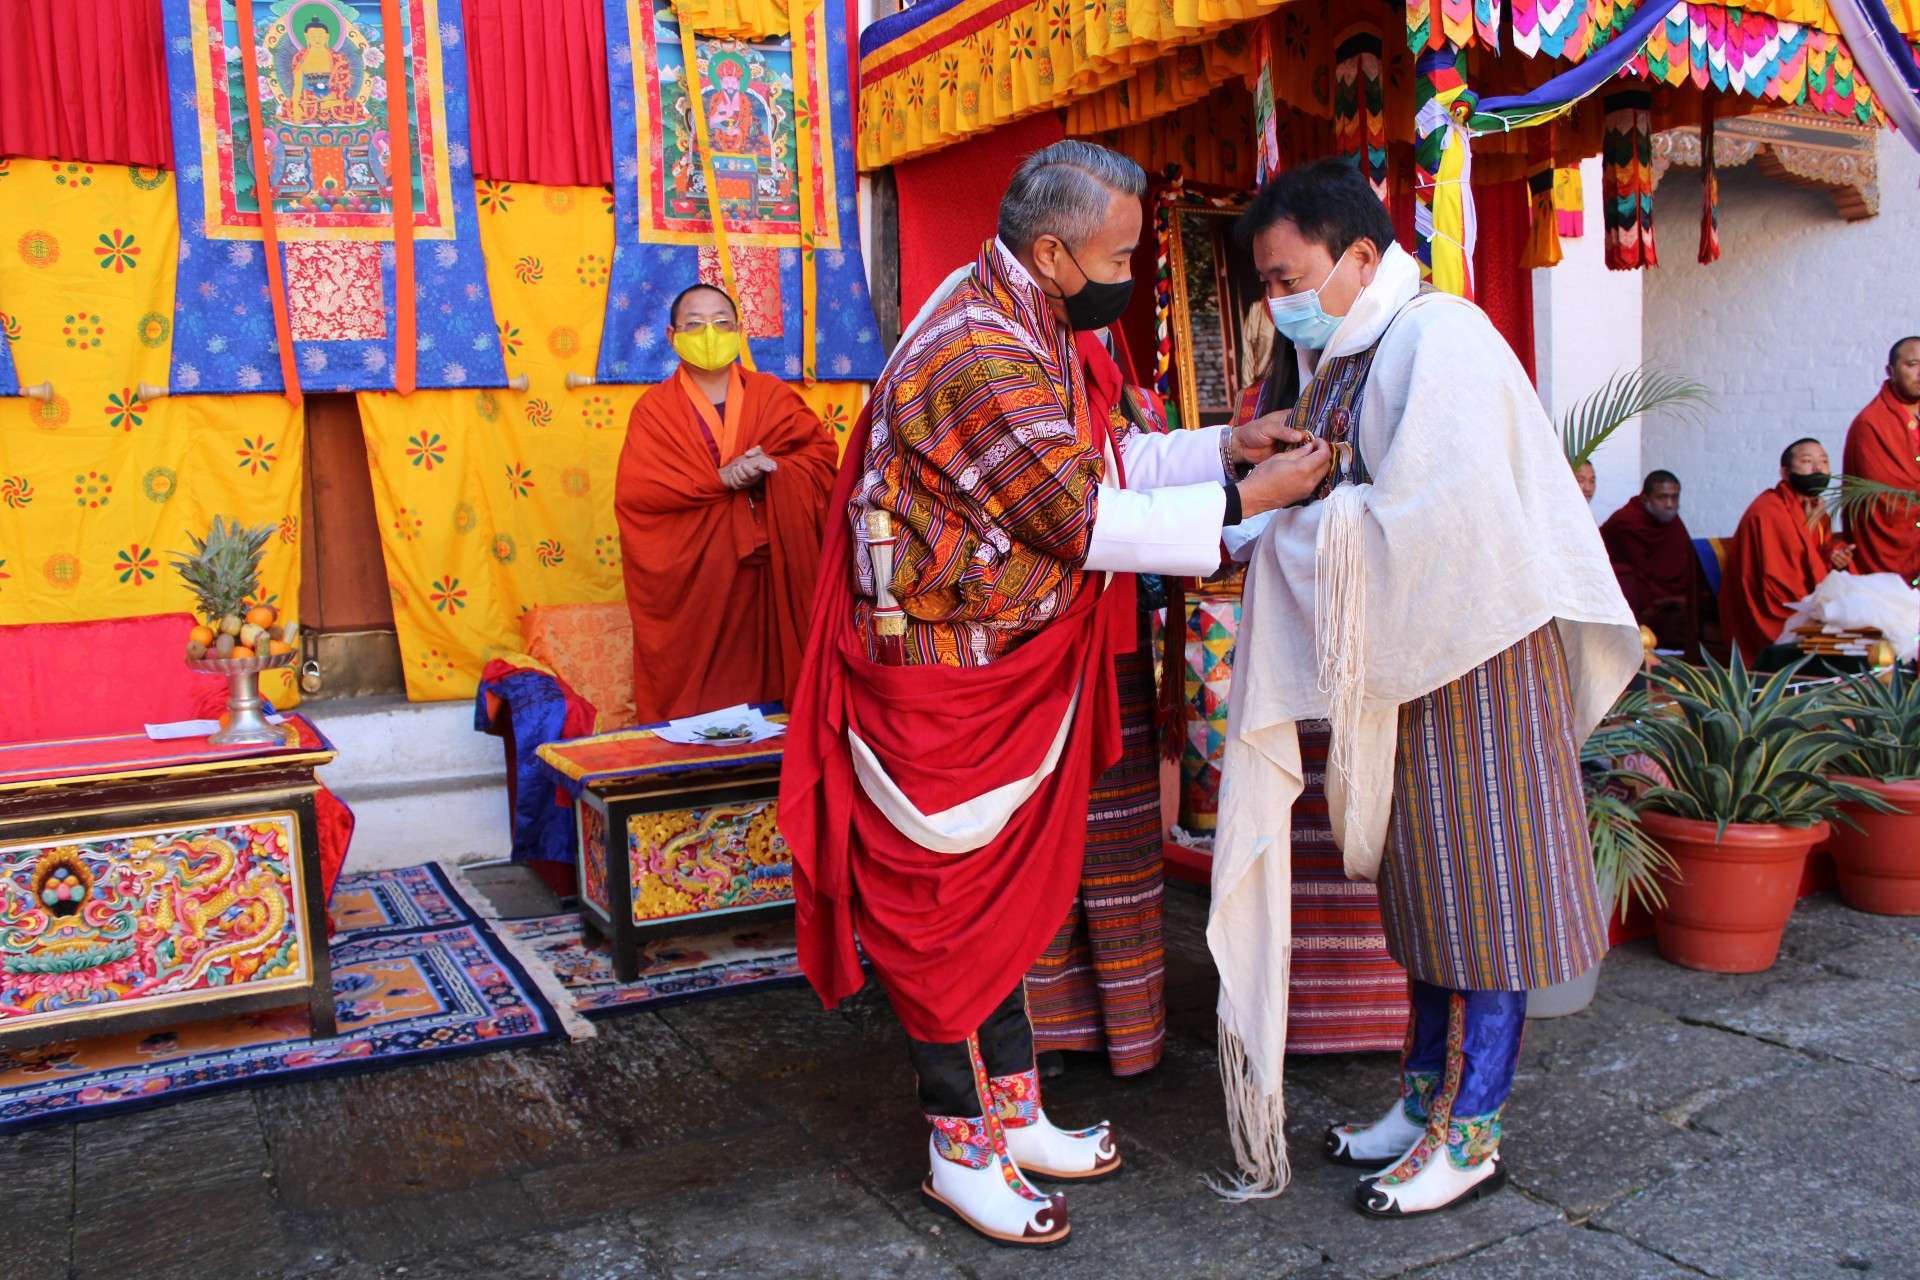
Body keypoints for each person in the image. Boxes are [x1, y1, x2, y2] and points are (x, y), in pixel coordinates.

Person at [781, 140, 1332, 1249]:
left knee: (1004, 904)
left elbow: (1102, 456)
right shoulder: (980, 346)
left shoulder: (1025, 305)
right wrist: (1248, 493)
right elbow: (1082, 519)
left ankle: (1013, 1107)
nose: (1130, 270)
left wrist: (1225, 441)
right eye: (1120, 254)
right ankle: (957, 1141)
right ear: (1051, 248)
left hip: (1001, 659)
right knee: (949, 913)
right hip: (942, 672)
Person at [1207, 159, 1641, 1215]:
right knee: (1424, 890)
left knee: (1486, 894)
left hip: (1478, 654)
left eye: (1288, 275)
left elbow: (1434, 528)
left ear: (1361, 255)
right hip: (1414, 661)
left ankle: (1471, 1129)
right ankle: (1422, 1098)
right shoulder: (1352, 347)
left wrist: (1284, 518)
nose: (1278, 300)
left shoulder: (1439, 337)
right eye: (1264, 283)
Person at [1025, 325, 1175, 1080]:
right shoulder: (1004, 371)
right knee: (1040, 840)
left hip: (1111, 643)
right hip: (1036, 652)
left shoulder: (1103, 382)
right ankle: (1045, 1030)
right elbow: (1075, 512)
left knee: (1113, 837)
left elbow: (1131, 464)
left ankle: (1127, 1026)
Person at [614, 284, 837, 725]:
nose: (709, 333)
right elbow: (641, 496)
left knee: (775, 706)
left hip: (770, 580)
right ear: (671, 335)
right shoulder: (654, 411)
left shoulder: (771, 395)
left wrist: (777, 469)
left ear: (739, 330)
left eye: (721, 323)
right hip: (699, 585)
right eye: (694, 324)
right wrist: (719, 478)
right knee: (701, 714)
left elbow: (822, 462)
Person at [1719, 438, 1855, 664]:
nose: (1818, 468)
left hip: (1806, 594)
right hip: (1773, 607)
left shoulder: (1815, 507)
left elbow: (1819, 554)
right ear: (1785, 472)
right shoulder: (1769, 511)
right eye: (1807, 461)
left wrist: (1835, 556)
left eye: (1823, 461)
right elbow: (1780, 576)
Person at [1842, 336, 1920, 585]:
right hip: (1893, 551)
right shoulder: (1872, 423)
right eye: (1912, 364)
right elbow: (1888, 502)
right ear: (1891, 371)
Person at [1600, 470, 1695, 649]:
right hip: (1636, 597)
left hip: (1666, 595)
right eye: (1663, 497)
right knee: (1626, 577)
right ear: (1645, 499)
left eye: (1674, 497)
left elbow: (1684, 566)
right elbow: (1632, 572)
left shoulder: (1673, 523)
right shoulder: (1625, 522)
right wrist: (1664, 600)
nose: (1670, 504)